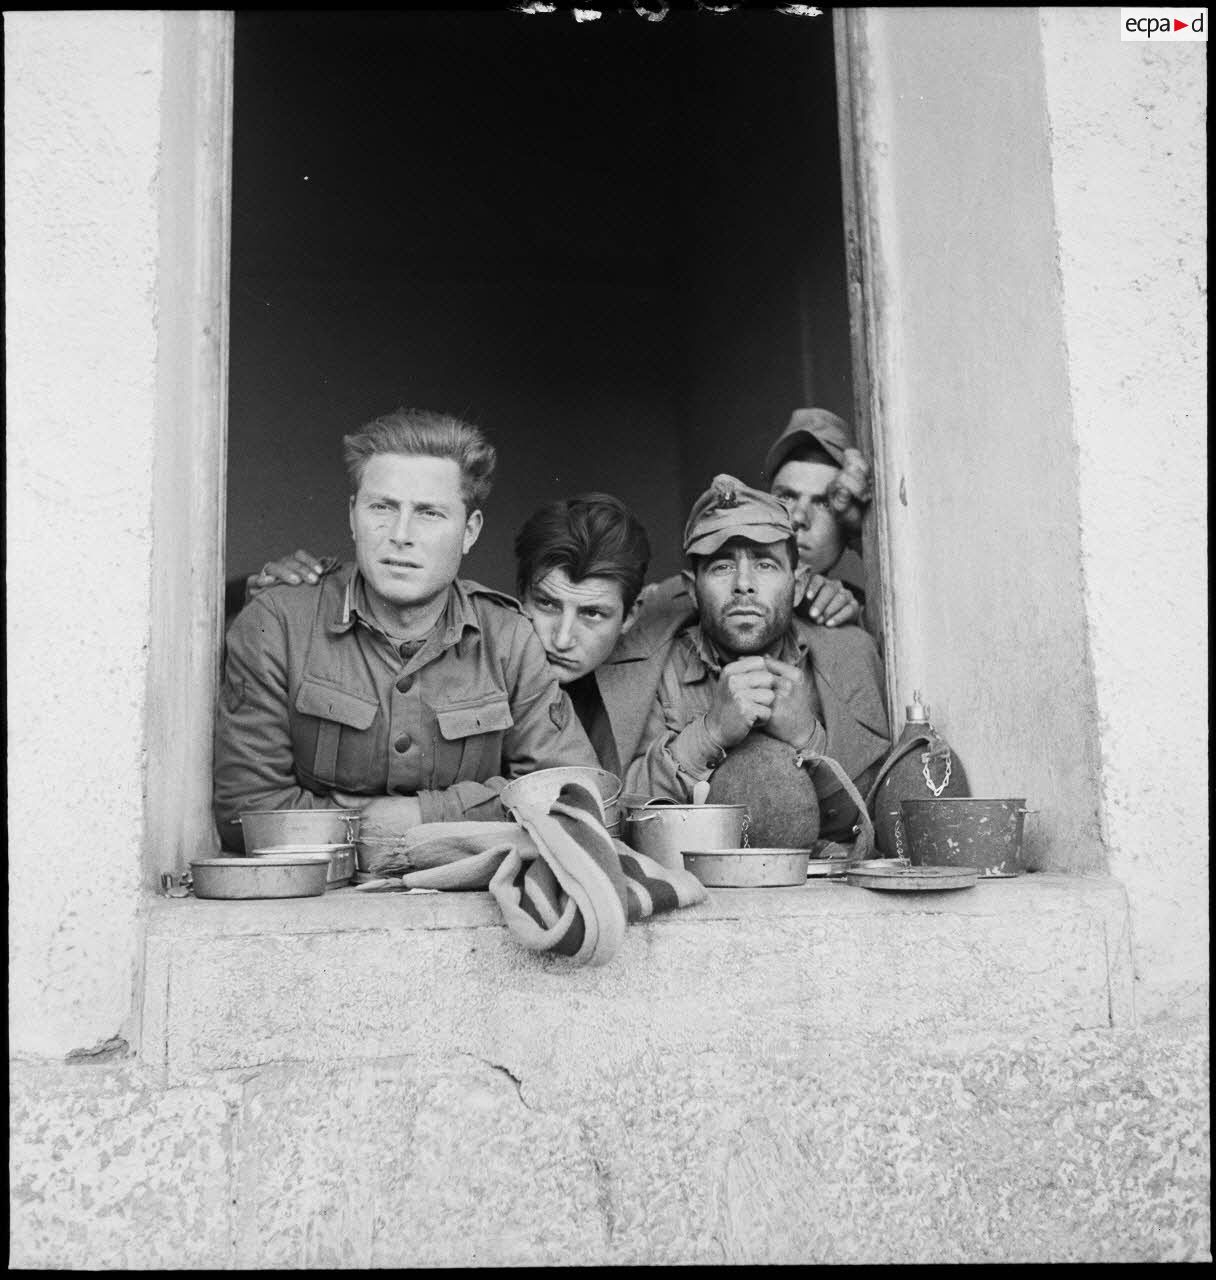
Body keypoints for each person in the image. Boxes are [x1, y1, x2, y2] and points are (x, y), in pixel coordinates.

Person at [213, 408, 600, 851]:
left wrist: (423, 816)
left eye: (429, 514)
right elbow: (248, 812)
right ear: (353, 515)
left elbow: (569, 792)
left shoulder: (508, 639)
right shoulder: (277, 625)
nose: (401, 534)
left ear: (469, 531)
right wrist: (443, 824)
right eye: (382, 507)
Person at [623, 475, 889, 843]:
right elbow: (622, 809)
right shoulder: (652, 667)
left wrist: (806, 736)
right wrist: (709, 732)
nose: (743, 584)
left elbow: (876, 812)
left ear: (797, 583)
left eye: (765, 565)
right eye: (721, 567)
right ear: (692, 590)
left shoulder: (849, 655)